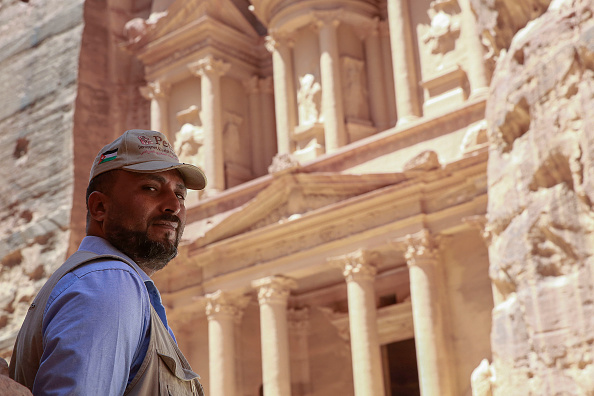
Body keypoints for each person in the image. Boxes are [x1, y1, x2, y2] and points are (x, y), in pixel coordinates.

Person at [9, 129, 206, 395]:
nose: (174, 205)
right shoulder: (109, 283)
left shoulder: (102, 280)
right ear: (99, 207)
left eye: (180, 194)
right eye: (151, 188)